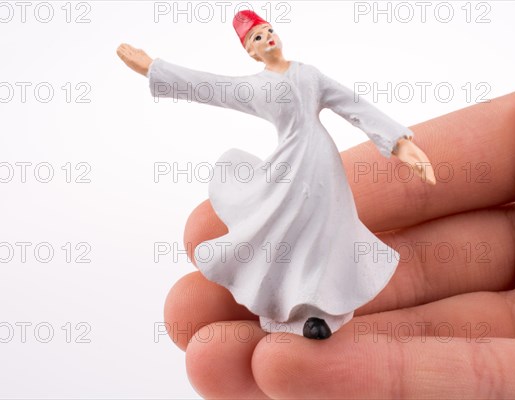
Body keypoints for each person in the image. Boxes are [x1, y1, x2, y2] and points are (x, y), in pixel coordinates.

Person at [118, 10, 436, 340]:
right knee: (287, 235)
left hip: (324, 168)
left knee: (327, 233)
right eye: (256, 37)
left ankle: (320, 310)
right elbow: (212, 87)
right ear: (250, 52)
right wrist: (155, 69)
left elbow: (353, 105)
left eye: (269, 30)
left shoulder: (309, 75)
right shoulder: (257, 87)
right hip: (288, 172)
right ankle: (292, 306)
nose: (267, 37)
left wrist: (399, 142)